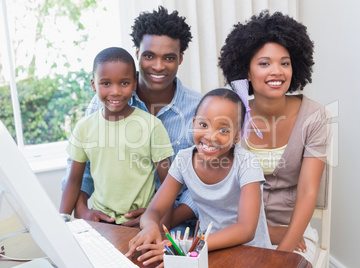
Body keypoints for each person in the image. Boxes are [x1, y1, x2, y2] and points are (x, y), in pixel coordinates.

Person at [61, 6, 203, 228]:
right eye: (149, 56)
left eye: (168, 57)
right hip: (109, 223)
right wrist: (81, 210)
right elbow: (81, 169)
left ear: (180, 58)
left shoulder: (200, 108)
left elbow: (206, 180)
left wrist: (155, 218)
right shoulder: (102, 103)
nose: (158, 66)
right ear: (137, 54)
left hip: (175, 222)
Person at [218, 10, 331, 264]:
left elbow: (307, 192)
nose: (277, 71)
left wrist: (281, 255)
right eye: (264, 63)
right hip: (239, 228)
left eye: (285, 62)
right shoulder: (232, 114)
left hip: (293, 233)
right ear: (246, 72)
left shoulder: (315, 116)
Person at [125, 88, 272, 266]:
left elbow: (246, 229)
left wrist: (192, 247)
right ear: (194, 123)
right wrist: (150, 226)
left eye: (224, 130)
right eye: (203, 125)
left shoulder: (247, 163)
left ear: (237, 135)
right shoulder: (184, 160)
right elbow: (154, 211)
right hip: (203, 253)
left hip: (250, 254)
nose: (210, 136)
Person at [60, 47, 174, 225]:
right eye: (106, 83)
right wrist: (63, 221)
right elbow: (74, 180)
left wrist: (155, 220)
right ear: (93, 84)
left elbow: (169, 184)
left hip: (140, 224)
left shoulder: (152, 126)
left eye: (124, 83)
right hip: (101, 224)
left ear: (135, 83)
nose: (115, 92)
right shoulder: (84, 127)